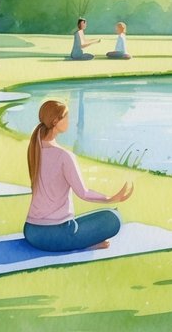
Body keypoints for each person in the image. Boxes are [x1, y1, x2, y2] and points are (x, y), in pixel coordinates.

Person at [23, 99, 132, 252]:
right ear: (55, 121)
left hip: (31, 232)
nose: (70, 120)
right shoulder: (64, 156)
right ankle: (84, 244)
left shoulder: (35, 149)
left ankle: (81, 241)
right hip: (57, 234)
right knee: (114, 218)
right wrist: (110, 198)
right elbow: (83, 193)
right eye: (66, 116)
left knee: (94, 219)